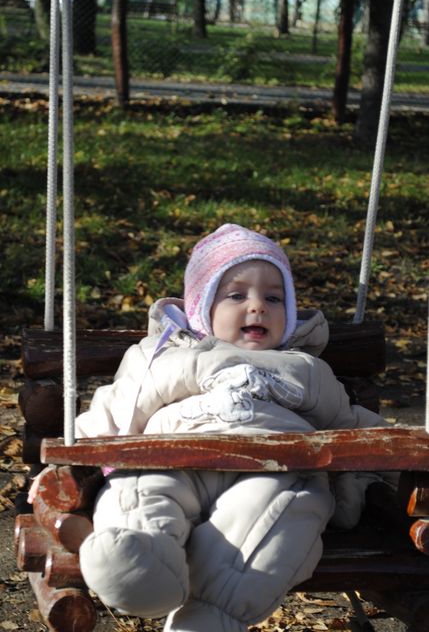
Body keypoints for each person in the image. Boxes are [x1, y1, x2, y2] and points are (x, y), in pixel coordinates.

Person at [30, 223, 391, 632]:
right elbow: (115, 410)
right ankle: (138, 565)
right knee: (139, 490)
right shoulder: (164, 355)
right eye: (237, 295)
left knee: (281, 516)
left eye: (274, 298)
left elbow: (352, 425)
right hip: (171, 458)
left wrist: (405, 461)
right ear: (202, 305)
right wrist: (64, 461)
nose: (258, 307)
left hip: (277, 471)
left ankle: (210, 618)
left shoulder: (305, 368)